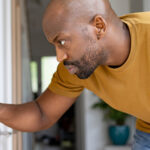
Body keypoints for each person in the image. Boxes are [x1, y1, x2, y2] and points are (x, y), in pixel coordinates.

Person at [0, 0, 150, 149]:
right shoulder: (75, 65)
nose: (59, 57)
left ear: (99, 27)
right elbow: (41, 113)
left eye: (63, 42)